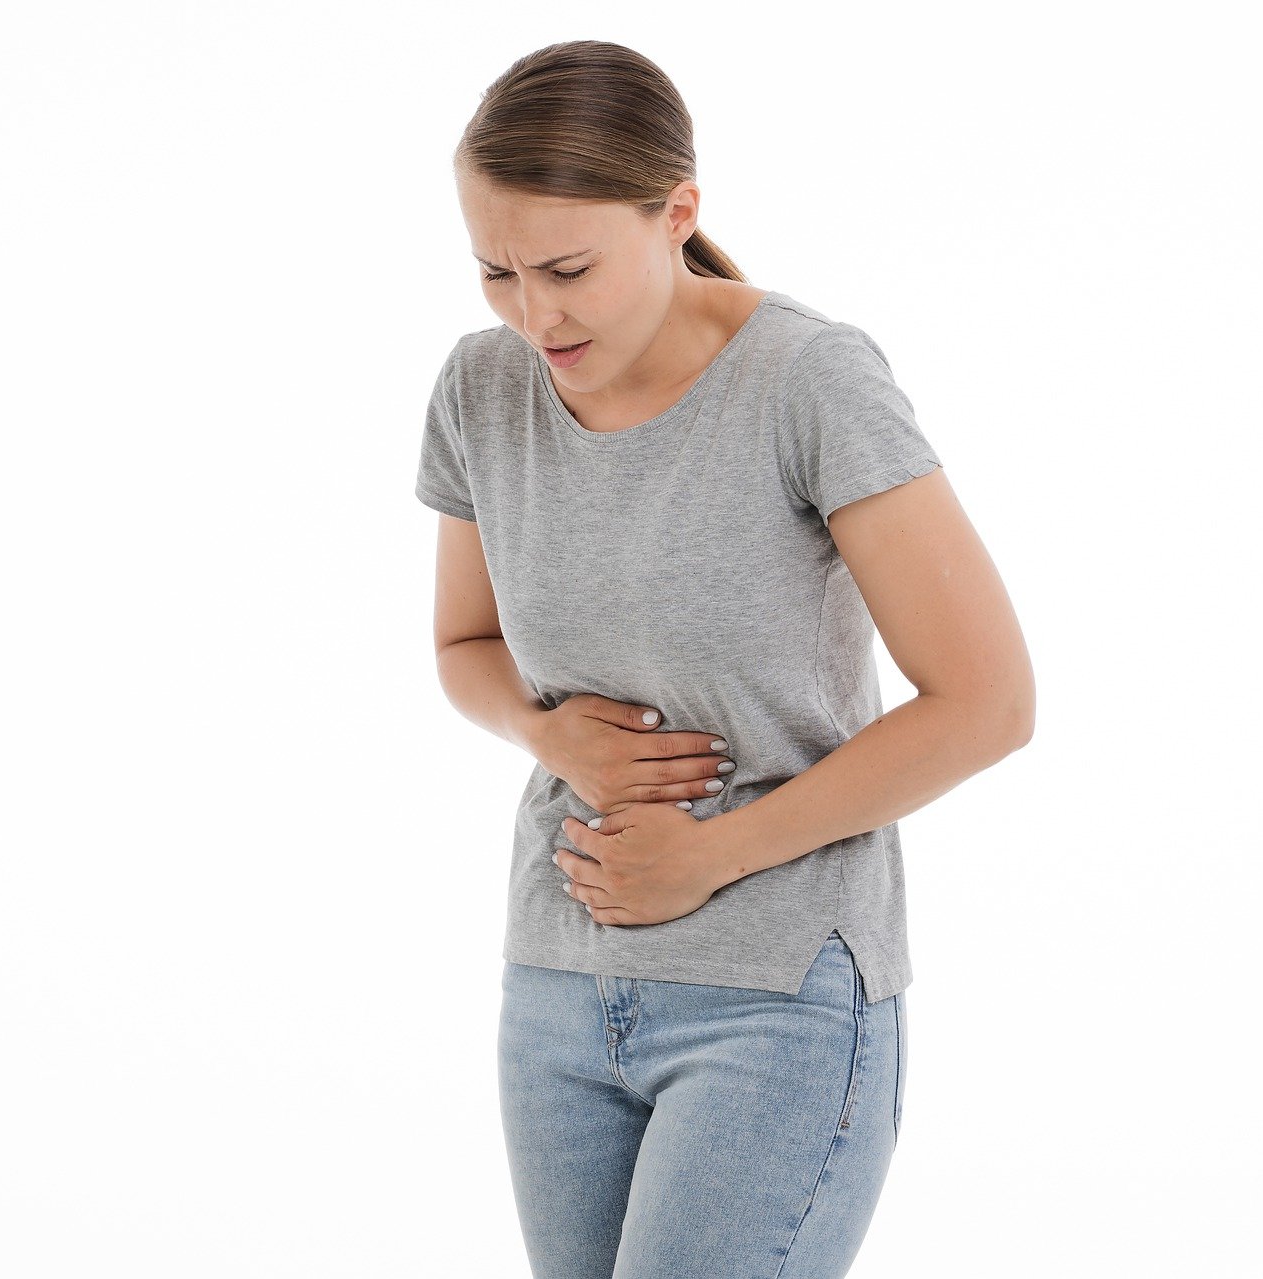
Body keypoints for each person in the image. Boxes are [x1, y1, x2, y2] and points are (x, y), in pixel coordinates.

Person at [416, 39, 1033, 1279]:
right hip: (557, 982)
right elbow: (464, 644)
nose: (534, 313)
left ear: (679, 212)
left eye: (568, 268)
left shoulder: (810, 379)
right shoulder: (483, 388)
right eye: (497, 271)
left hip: (776, 994)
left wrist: (709, 856)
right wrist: (545, 732)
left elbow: (988, 702)